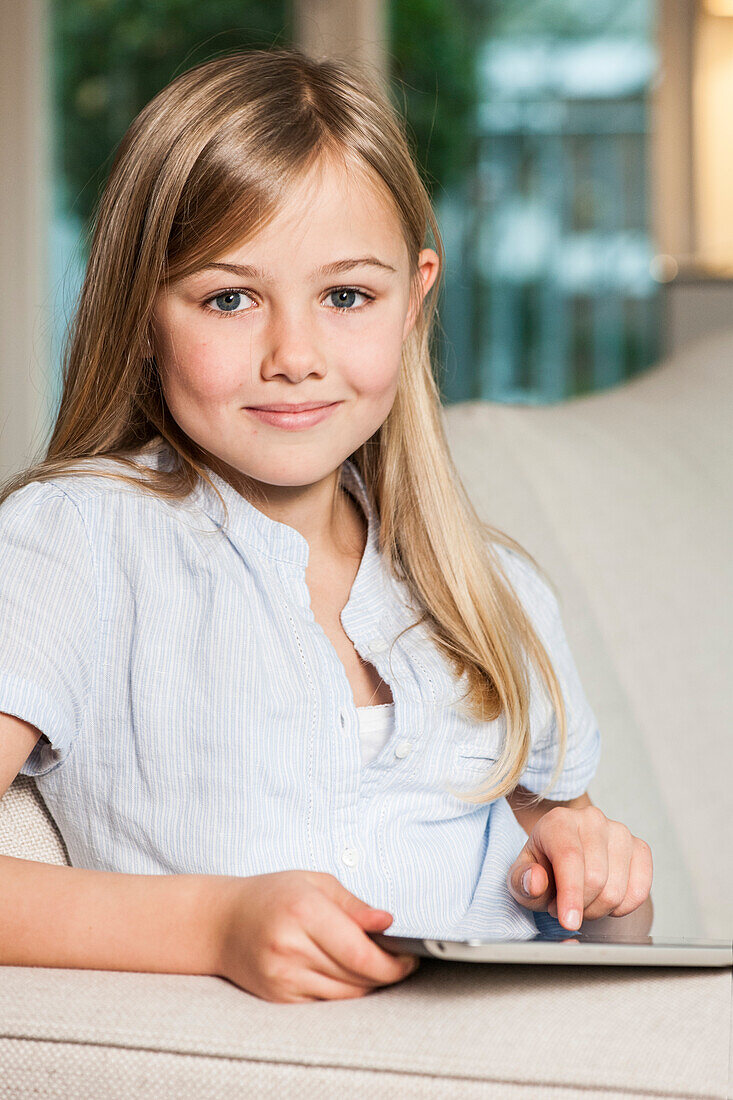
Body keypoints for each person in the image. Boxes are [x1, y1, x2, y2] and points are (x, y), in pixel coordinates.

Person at [0, 47, 652, 1004]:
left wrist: (596, 875)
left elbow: (605, 924)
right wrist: (214, 926)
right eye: (230, 298)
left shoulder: (490, 585)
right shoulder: (76, 539)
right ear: (143, 314)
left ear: (413, 297)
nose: (294, 355)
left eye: (346, 296)